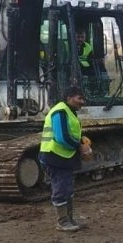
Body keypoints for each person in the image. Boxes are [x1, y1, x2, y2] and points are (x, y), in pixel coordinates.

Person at [38, 85, 91, 232]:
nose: (82, 102)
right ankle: (62, 222)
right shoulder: (60, 112)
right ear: (69, 98)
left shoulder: (69, 112)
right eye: (79, 98)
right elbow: (61, 138)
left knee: (67, 188)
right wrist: (80, 147)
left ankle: (69, 219)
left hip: (62, 157)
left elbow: (70, 132)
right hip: (54, 157)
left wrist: (81, 139)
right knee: (61, 189)